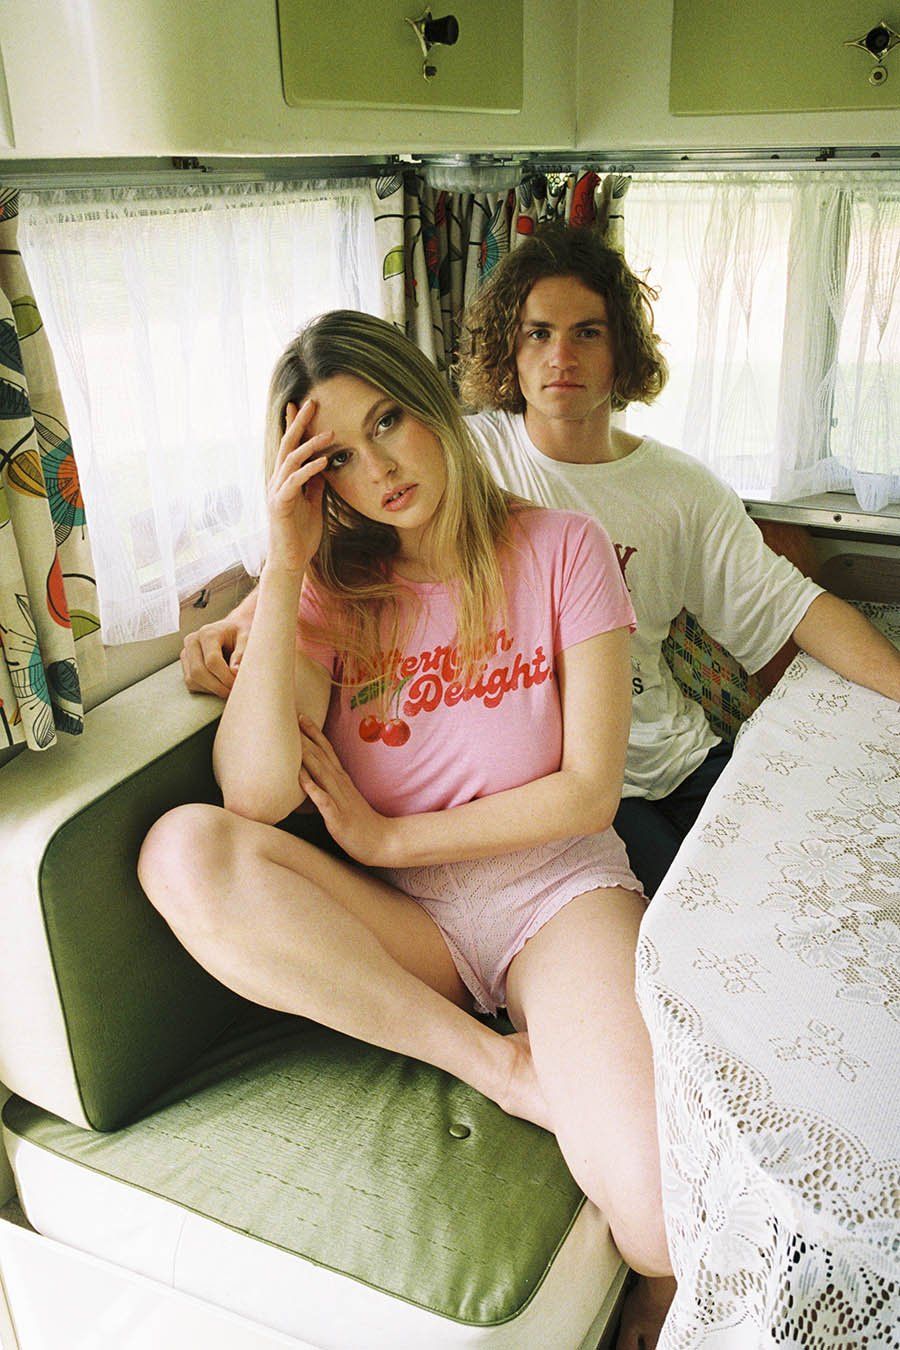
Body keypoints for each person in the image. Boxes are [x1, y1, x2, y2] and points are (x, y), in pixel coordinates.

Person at [141, 310, 675, 1348]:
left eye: (387, 420)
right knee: (183, 849)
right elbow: (252, 796)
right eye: (338, 456)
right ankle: (499, 1066)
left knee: (654, 1225)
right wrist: (283, 569)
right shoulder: (330, 597)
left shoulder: (563, 550)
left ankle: (654, 1291)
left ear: (432, 405)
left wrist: (390, 842)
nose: (379, 468)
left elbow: (589, 793)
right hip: (411, 927)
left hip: (557, 894)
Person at [183, 225, 900, 895]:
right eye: (538, 333)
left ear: (623, 348)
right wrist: (248, 613)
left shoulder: (681, 489)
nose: (562, 357)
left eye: (588, 332)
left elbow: (796, 608)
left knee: (804, 883)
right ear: (508, 348)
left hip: (674, 759)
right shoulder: (448, 456)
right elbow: (335, 548)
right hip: (565, 792)